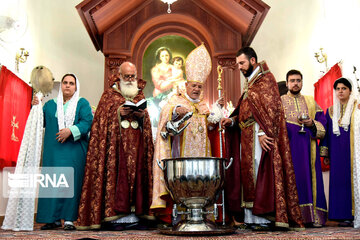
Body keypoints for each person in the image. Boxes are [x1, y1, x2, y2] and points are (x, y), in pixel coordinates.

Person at [220, 47, 304, 230]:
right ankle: (251, 219)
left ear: (252, 61)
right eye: (237, 64)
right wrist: (232, 121)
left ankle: (264, 218)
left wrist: (262, 132)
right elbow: (246, 110)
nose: (239, 67)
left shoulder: (266, 79)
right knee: (248, 176)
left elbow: (271, 111)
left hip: (260, 135)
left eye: (241, 63)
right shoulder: (250, 82)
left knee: (260, 171)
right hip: (246, 135)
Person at [150, 44, 224, 223]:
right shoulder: (176, 100)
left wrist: (215, 115)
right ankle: (177, 215)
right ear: (187, 84)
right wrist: (176, 110)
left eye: (199, 86)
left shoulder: (203, 104)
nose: (197, 89)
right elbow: (166, 121)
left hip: (202, 157)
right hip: (181, 156)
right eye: (193, 86)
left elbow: (210, 129)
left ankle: (203, 214)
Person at [77, 62, 154, 230]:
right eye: (126, 76)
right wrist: (118, 112)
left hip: (137, 144)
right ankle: (115, 220)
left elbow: (146, 121)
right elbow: (101, 119)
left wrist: (142, 115)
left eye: (132, 76)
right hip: (115, 147)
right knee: (117, 178)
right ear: (119, 75)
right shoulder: (109, 95)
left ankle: (137, 218)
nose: (130, 79)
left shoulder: (139, 95)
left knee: (137, 179)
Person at [34, 73, 93, 230]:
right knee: (51, 183)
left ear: (76, 87)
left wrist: (70, 130)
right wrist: (35, 106)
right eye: (65, 82)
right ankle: (51, 219)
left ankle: (69, 220)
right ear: (61, 86)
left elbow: (87, 122)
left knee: (71, 183)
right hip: (53, 151)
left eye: (71, 83)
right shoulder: (49, 105)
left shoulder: (82, 103)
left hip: (74, 151)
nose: (67, 85)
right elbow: (40, 121)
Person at [281, 69, 327, 227]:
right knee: (292, 181)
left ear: (302, 82)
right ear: (287, 83)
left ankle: (312, 217)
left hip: (309, 151)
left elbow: (323, 124)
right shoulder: (279, 101)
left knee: (308, 181)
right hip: (289, 151)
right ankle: (292, 217)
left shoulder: (310, 101)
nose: (295, 83)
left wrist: (311, 124)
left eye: (298, 80)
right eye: (292, 80)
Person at [320, 77, 358, 227]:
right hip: (336, 155)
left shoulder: (357, 108)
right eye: (338, 89)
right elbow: (326, 133)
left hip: (352, 154)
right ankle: (340, 215)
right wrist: (326, 154)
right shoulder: (330, 111)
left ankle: (353, 214)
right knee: (338, 182)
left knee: (351, 181)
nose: (340, 91)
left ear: (350, 90)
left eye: (344, 88)